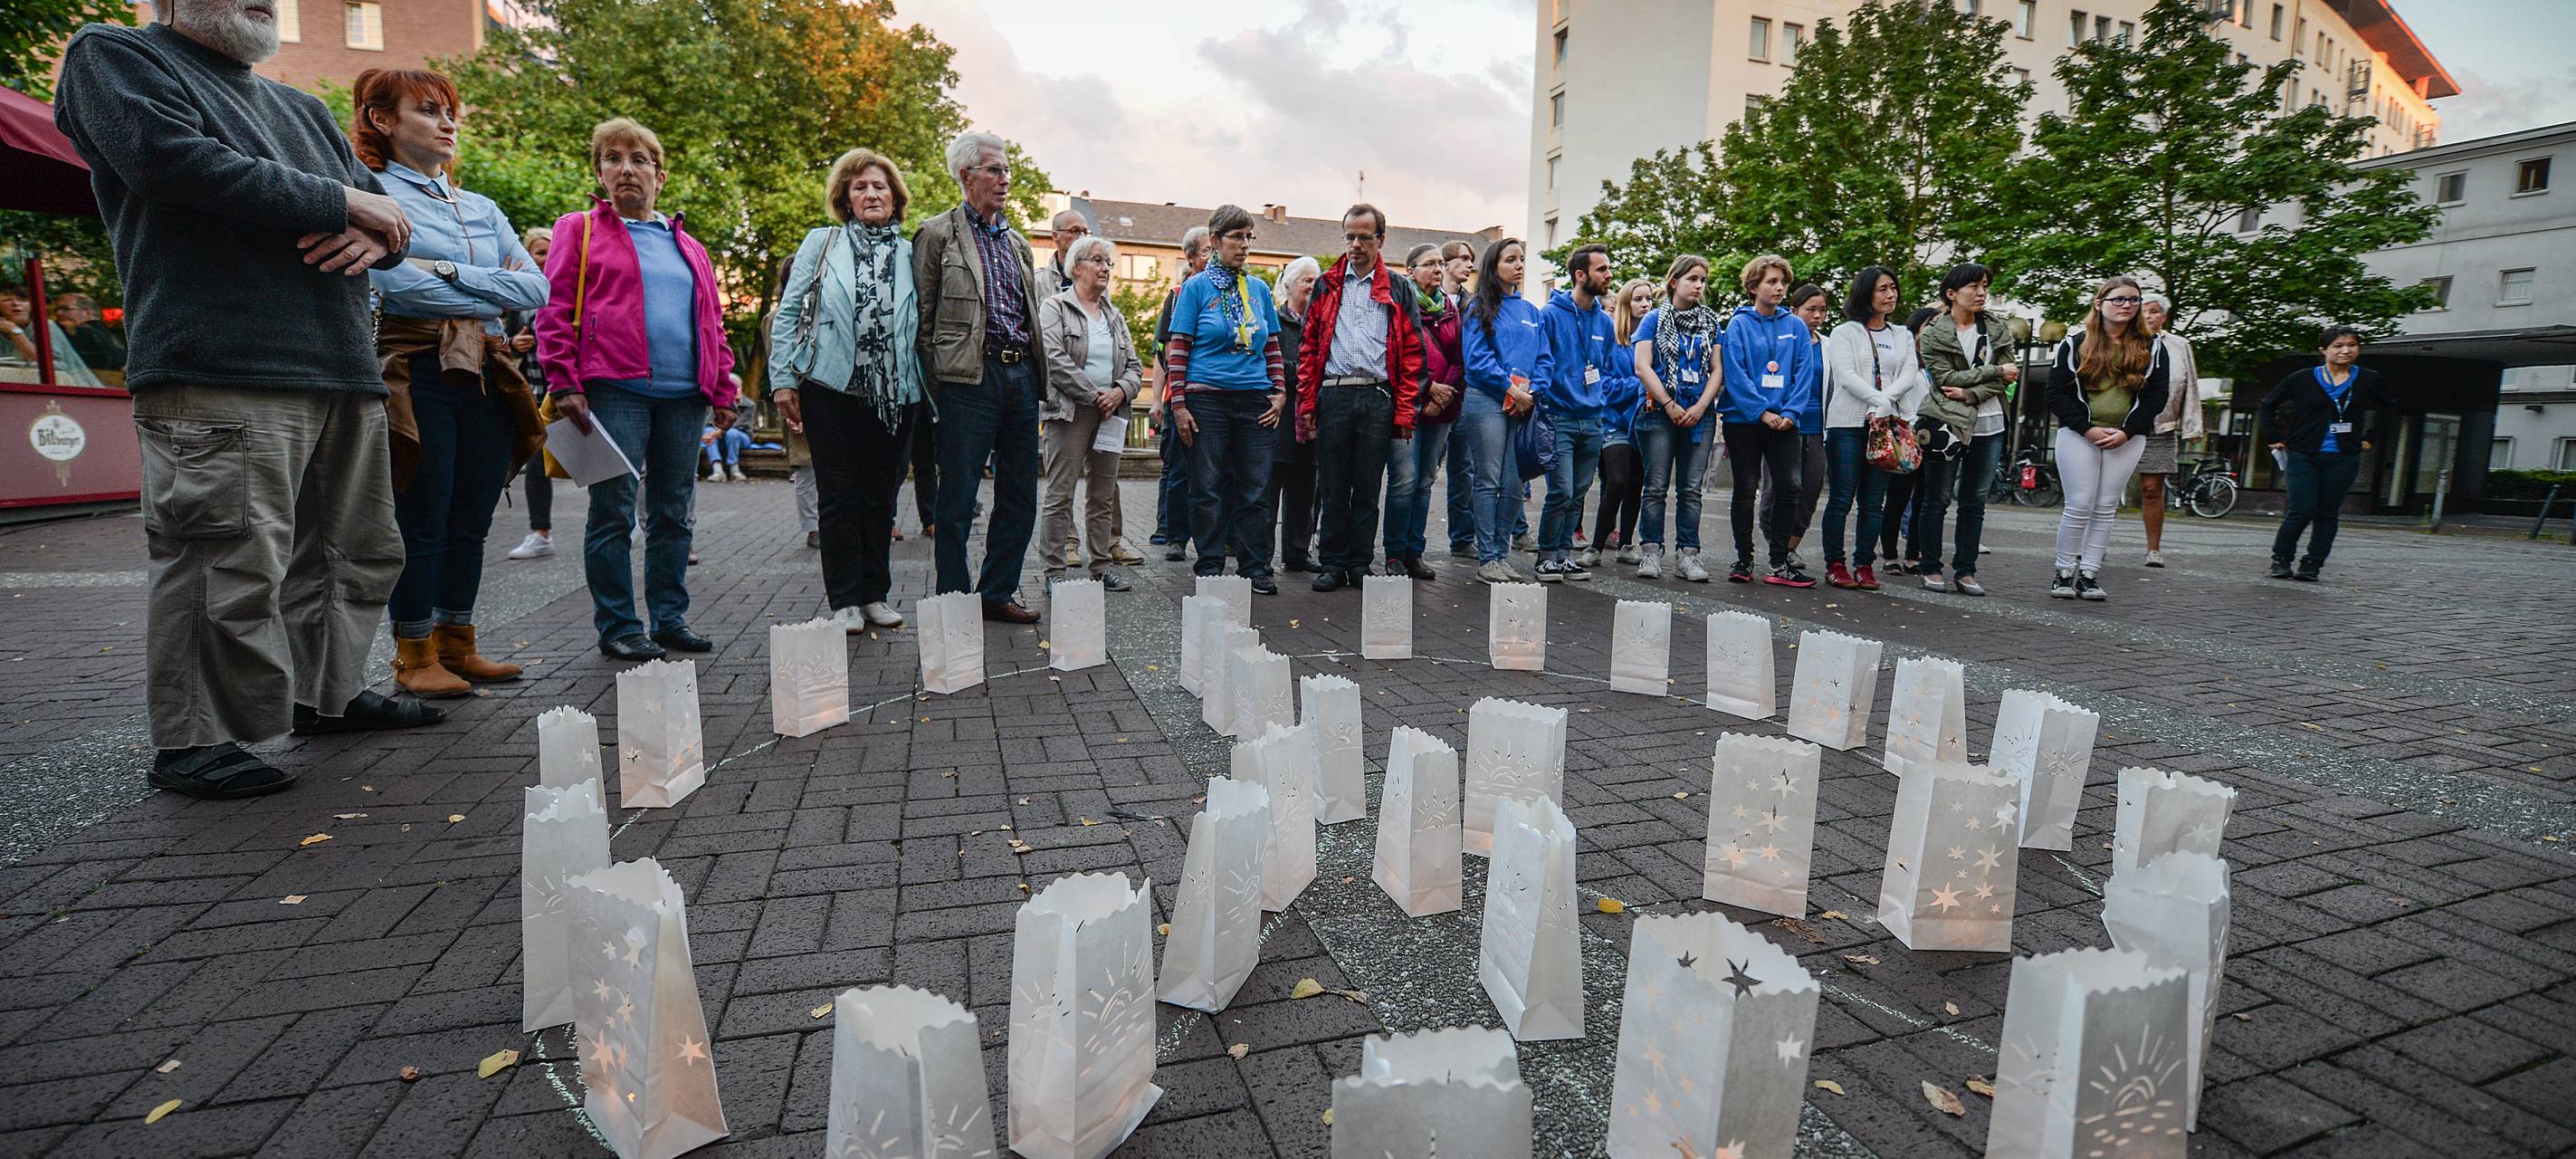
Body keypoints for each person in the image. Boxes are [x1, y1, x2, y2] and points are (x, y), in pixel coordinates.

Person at [54, 0, 434, 799]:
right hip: (218, 362)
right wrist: (343, 204)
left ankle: (326, 697)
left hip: (340, 365)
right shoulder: (115, 55)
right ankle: (192, 741)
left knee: (351, 552)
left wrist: (376, 226)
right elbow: (168, 160)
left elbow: (386, 211)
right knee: (220, 558)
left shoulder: (299, 108)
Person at [354, 68, 548, 698]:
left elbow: (536, 288)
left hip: (488, 370)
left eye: (450, 112)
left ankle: (458, 642)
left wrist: (440, 266)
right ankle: (414, 653)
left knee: (472, 515)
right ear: (383, 120)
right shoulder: (368, 191)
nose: (448, 123)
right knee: (423, 512)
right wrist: (480, 279)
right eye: (429, 110)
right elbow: (391, 283)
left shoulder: (480, 207)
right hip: (415, 366)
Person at [536, 117, 738, 659]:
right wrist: (564, 380)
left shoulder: (689, 246)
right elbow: (553, 310)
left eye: (639, 159)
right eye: (613, 158)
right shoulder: (577, 229)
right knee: (613, 513)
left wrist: (721, 387)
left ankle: (670, 618)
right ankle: (619, 626)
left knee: (674, 512)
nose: (626, 168)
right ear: (599, 172)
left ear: (660, 175)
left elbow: (712, 323)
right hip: (612, 391)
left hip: (684, 397)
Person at [913, 130, 1047, 623]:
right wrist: (936, 391)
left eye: (1007, 170)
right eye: (994, 170)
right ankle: (954, 597)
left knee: (1019, 495)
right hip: (967, 380)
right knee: (958, 498)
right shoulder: (936, 234)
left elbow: (1027, 312)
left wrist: (1036, 375)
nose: (1005, 179)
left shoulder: (1017, 242)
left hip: (1020, 376)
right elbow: (923, 323)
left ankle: (997, 591)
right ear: (966, 175)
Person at [1296, 204, 1425, 592]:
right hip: (1334, 393)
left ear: (1380, 240)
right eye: (1349, 236)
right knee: (1334, 486)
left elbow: (1413, 353)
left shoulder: (1400, 287)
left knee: (1368, 487)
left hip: (1377, 396)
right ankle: (1333, 563)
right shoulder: (1328, 283)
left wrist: (1403, 409)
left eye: (1363, 237)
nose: (1354, 244)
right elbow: (1308, 346)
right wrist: (1307, 403)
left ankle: (1360, 564)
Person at [1166, 205, 1288, 593]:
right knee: (1207, 486)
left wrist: (1280, 392)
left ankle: (1255, 567)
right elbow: (1178, 347)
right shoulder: (1195, 288)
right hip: (1207, 401)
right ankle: (1210, 565)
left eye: (1249, 237)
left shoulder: (1259, 290)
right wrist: (1179, 404)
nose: (1245, 245)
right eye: (1237, 237)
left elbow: (1271, 345)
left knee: (1255, 488)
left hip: (1254, 401)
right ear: (1216, 241)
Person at [2042, 275, 2171, 600]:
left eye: (2134, 300)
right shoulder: (2075, 343)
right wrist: (2087, 428)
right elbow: (2055, 394)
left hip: (2127, 436)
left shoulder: (2153, 347)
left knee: (2105, 506)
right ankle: (2063, 572)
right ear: (2100, 304)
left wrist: (2128, 431)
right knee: (2080, 503)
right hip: (2080, 433)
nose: (2127, 305)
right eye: (2119, 299)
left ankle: (2089, 575)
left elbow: (2157, 397)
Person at [1036, 234, 1143, 591]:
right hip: (1069, 413)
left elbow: (1133, 365)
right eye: (1097, 261)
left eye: (1109, 263)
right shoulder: (1055, 307)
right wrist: (1092, 394)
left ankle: (1100, 565)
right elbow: (1052, 357)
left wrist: (1119, 393)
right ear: (1076, 267)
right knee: (1060, 493)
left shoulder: (1114, 315)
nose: (1105, 268)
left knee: (1103, 493)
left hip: (1110, 415)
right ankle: (1054, 572)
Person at [1911, 263, 2017, 597]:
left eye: (1985, 285)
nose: (1981, 292)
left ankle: (1966, 570)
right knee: (1937, 498)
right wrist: (1995, 371)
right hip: (1947, 422)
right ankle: (1930, 567)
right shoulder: (1934, 333)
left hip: (1991, 424)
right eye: (1974, 286)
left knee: (1975, 501)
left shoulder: (1999, 329)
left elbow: (2009, 377)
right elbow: (1945, 380)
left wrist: (1974, 392)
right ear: (1951, 294)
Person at [1714, 255, 1819, 587]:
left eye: (1783, 283)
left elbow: (1804, 372)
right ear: (1753, 286)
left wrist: (1789, 413)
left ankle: (1778, 562)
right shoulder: (1738, 325)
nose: (1779, 288)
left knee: (1790, 488)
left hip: (1785, 422)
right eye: (1771, 282)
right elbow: (1736, 373)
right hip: (1744, 421)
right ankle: (1743, 560)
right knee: (1745, 489)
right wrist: (1762, 412)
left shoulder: (1795, 326)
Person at [1819, 266, 1926, 591]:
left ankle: (1864, 564)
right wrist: (1876, 399)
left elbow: (1909, 375)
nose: (1890, 294)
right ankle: (1835, 564)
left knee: (1873, 501)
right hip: (1848, 424)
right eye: (1882, 289)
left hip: (1886, 426)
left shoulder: (1902, 336)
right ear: (1866, 293)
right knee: (1841, 497)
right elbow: (1846, 374)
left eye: (1893, 288)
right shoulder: (1845, 333)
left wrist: (1884, 403)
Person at [2262, 326, 2390, 581]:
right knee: (2301, 509)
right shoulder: (2302, 378)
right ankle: (2281, 559)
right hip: (2304, 453)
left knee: (2328, 512)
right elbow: (2267, 405)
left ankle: (2312, 565)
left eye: (2352, 345)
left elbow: (2389, 407)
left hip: (2344, 456)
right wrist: (2274, 437)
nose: (2346, 351)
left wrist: (2370, 438)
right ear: (2324, 351)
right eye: (2338, 346)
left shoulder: (2369, 379)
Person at [1459, 237, 1549, 584]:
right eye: (1511, 259)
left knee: (1515, 482)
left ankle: (1502, 553)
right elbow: (1478, 359)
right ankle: (1487, 559)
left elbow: (1545, 358)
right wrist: (1510, 389)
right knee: (1489, 478)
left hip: (1523, 404)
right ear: (1494, 266)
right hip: (1487, 401)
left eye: (1522, 259)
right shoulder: (1478, 307)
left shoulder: (1530, 312)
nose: (1519, 265)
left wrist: (1533, 389)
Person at [1632, 254, 1722, 581]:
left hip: (1700, 413)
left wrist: (1700, 406)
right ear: (1674, 282)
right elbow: (1642, 366)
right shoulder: (1653, 320)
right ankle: (1651, 552)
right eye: (1692, 279)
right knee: (1655, 486)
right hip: (1660, 412)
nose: (1699, 285)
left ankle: (1688, 555)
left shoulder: (1712, 321)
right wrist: (1669, 403)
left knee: (1691, 489)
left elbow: (1717, 370)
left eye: (1702, 280)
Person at [1535, 244, 1614, 582]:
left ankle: (1565, 555)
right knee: (1561, 490)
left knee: (1579, 492)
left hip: (1593, 419)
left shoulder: (1605, 322)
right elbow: (1541, 360)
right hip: (1560, 417)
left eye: (1608, 268)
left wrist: (1600, 398)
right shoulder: (1550, 315)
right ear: (1580, 275)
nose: (1608, 275)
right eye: (1601, 269)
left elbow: (1606, 366)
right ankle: (1546, 555)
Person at [1382, 244, 1460, 580]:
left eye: (1441, 263)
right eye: (1429, 264)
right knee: (1404, 479)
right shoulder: (1400, 303)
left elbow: (1460, 357)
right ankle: (1394, 553)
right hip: (1409, 404)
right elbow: (1395, 354)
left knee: (1426, 481)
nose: (1438, 269)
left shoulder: (1450, 308)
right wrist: (1428, 388)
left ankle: (1416, 552)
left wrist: (1443, 394)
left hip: (1443, 407)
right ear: (1410, 270)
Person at [1759, 284, 1832, 569]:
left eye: (1822, 310)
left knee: (1810, 490)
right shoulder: (1782, 341)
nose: (1817, 316)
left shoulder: (1827, 345)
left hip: (1816, 426)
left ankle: (1791, 547)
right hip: (1783, 423)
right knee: (1776, 490)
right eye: (1810, 309)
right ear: (1793, 311)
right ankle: (1776, 543)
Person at [1152, 225, 1211, 559]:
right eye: (1205, 251)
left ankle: (1222, 536)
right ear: (1189, 258)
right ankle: (1176, 537)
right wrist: (1166, 399)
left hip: (1215, 393)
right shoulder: (1176, 296)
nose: (1212, 257)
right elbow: (1164, 352)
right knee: (1178, 470)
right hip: (1182, 395)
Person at [1585, 278, 1652, 568]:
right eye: (1638, 299)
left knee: (1636, 484)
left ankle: (1626, 543)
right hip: (1614, 421)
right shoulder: (1614, 341)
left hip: (1643, 423)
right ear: (1626, 303)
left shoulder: (1652, 341)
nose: (1645, 304)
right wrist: (1640, 380)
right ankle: (1596, 546)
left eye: (1649, 299)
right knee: (1618, 481)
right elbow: (1606, 385)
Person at [2136, 292, 2203, 568]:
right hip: (2119, 425)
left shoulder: (2179, 345)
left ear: (2164, 316)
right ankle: (2094, 546)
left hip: (2160, 425)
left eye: (2154, 311)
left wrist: (2192, 426)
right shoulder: (2121, 341)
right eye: (2143, 311)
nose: (2148, 316)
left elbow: (2191, 387)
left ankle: (2153, 549)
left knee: (2152, 488)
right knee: (2105, 490)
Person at [506, 225, 559, 560]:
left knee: (596, 461)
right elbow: (506, 343)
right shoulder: (520, 297)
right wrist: (514, 344)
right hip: (536, 391)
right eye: (539, 252)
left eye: (551, 251)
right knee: (537, 463)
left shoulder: (572, 289)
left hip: (570, 389)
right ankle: (540, 533)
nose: (545, 259)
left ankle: (625, 525)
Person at [1267, 256, 1321, 572]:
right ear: (1288, 286)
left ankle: (1298, 553)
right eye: (1307, 281)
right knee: (1269, 493)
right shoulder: (1275, 323)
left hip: (1310, 422)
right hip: (1279, 421)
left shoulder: (1322, 326)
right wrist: (1303, 371)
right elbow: (1270, 365)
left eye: (1317, 281)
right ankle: (1262, 555)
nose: (1313, 287)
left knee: (1305, 492)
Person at [1880, 306, 1944, 571]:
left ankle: (1913, 554)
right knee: (1897, 497)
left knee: (1924, 498)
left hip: (1933, 437)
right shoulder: (1905, 361)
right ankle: (1889, 555)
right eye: (1930, 325)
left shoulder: (1938, 364)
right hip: (1906, 436)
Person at [1440, 240, 1484, 558]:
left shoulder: (1475, 304)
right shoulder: (1429, 299)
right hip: (1433, 396)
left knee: (1463, 471)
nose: (1469, 265)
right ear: (1445, 264)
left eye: (1472, 260)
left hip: (1464, 398)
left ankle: (1462, 538)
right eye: (1463, 259)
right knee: (1421, 475)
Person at [52, 293, 127, 370]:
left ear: (87, 313)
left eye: (66, 309)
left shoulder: (83, 333)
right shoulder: (109, 334)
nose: (59, 313)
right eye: (56, 309)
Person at [1035, 207, 1088, 298]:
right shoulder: (1037, 281)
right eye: (1075, 231)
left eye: (1085, 232)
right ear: (1055, 236)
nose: (1082, 237)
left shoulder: (1094, 279)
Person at [702, 407, 750, 480]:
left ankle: (734, 470)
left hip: (741, 435)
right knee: (709, 431)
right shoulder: (717, 402)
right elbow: (709, 422)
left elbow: (739, 424)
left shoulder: (748, 405)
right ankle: (717, 470)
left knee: (732, 433)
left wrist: (721, 431)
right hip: (718, 435)